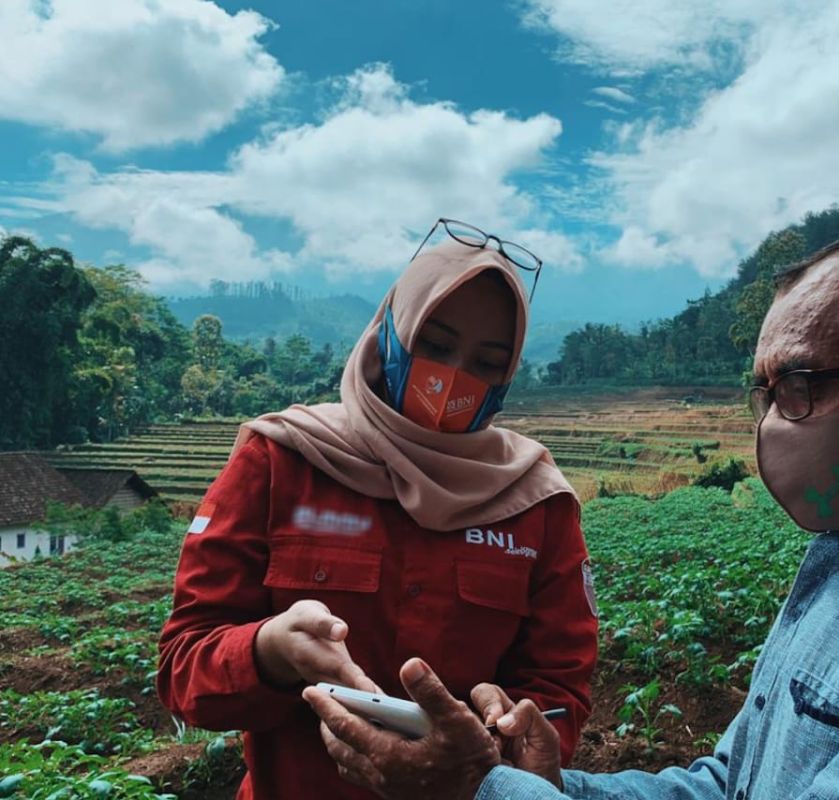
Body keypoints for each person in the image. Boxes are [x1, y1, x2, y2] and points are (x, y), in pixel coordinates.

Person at [302, 228, 839, 800]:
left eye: (802, 386)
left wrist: (474, 788)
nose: (770, 424)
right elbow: (726, 786)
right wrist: (547, 780)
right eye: (765, 392)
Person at [157, 223, 599, 800]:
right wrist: (269, 651)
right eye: (435, 347)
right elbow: (184, 665)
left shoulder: (535, 503)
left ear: (508, 378)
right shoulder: (283, 459)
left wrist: (510, 731)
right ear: (390, 332)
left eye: (486, 362)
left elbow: (559, 687)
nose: (453, 379)